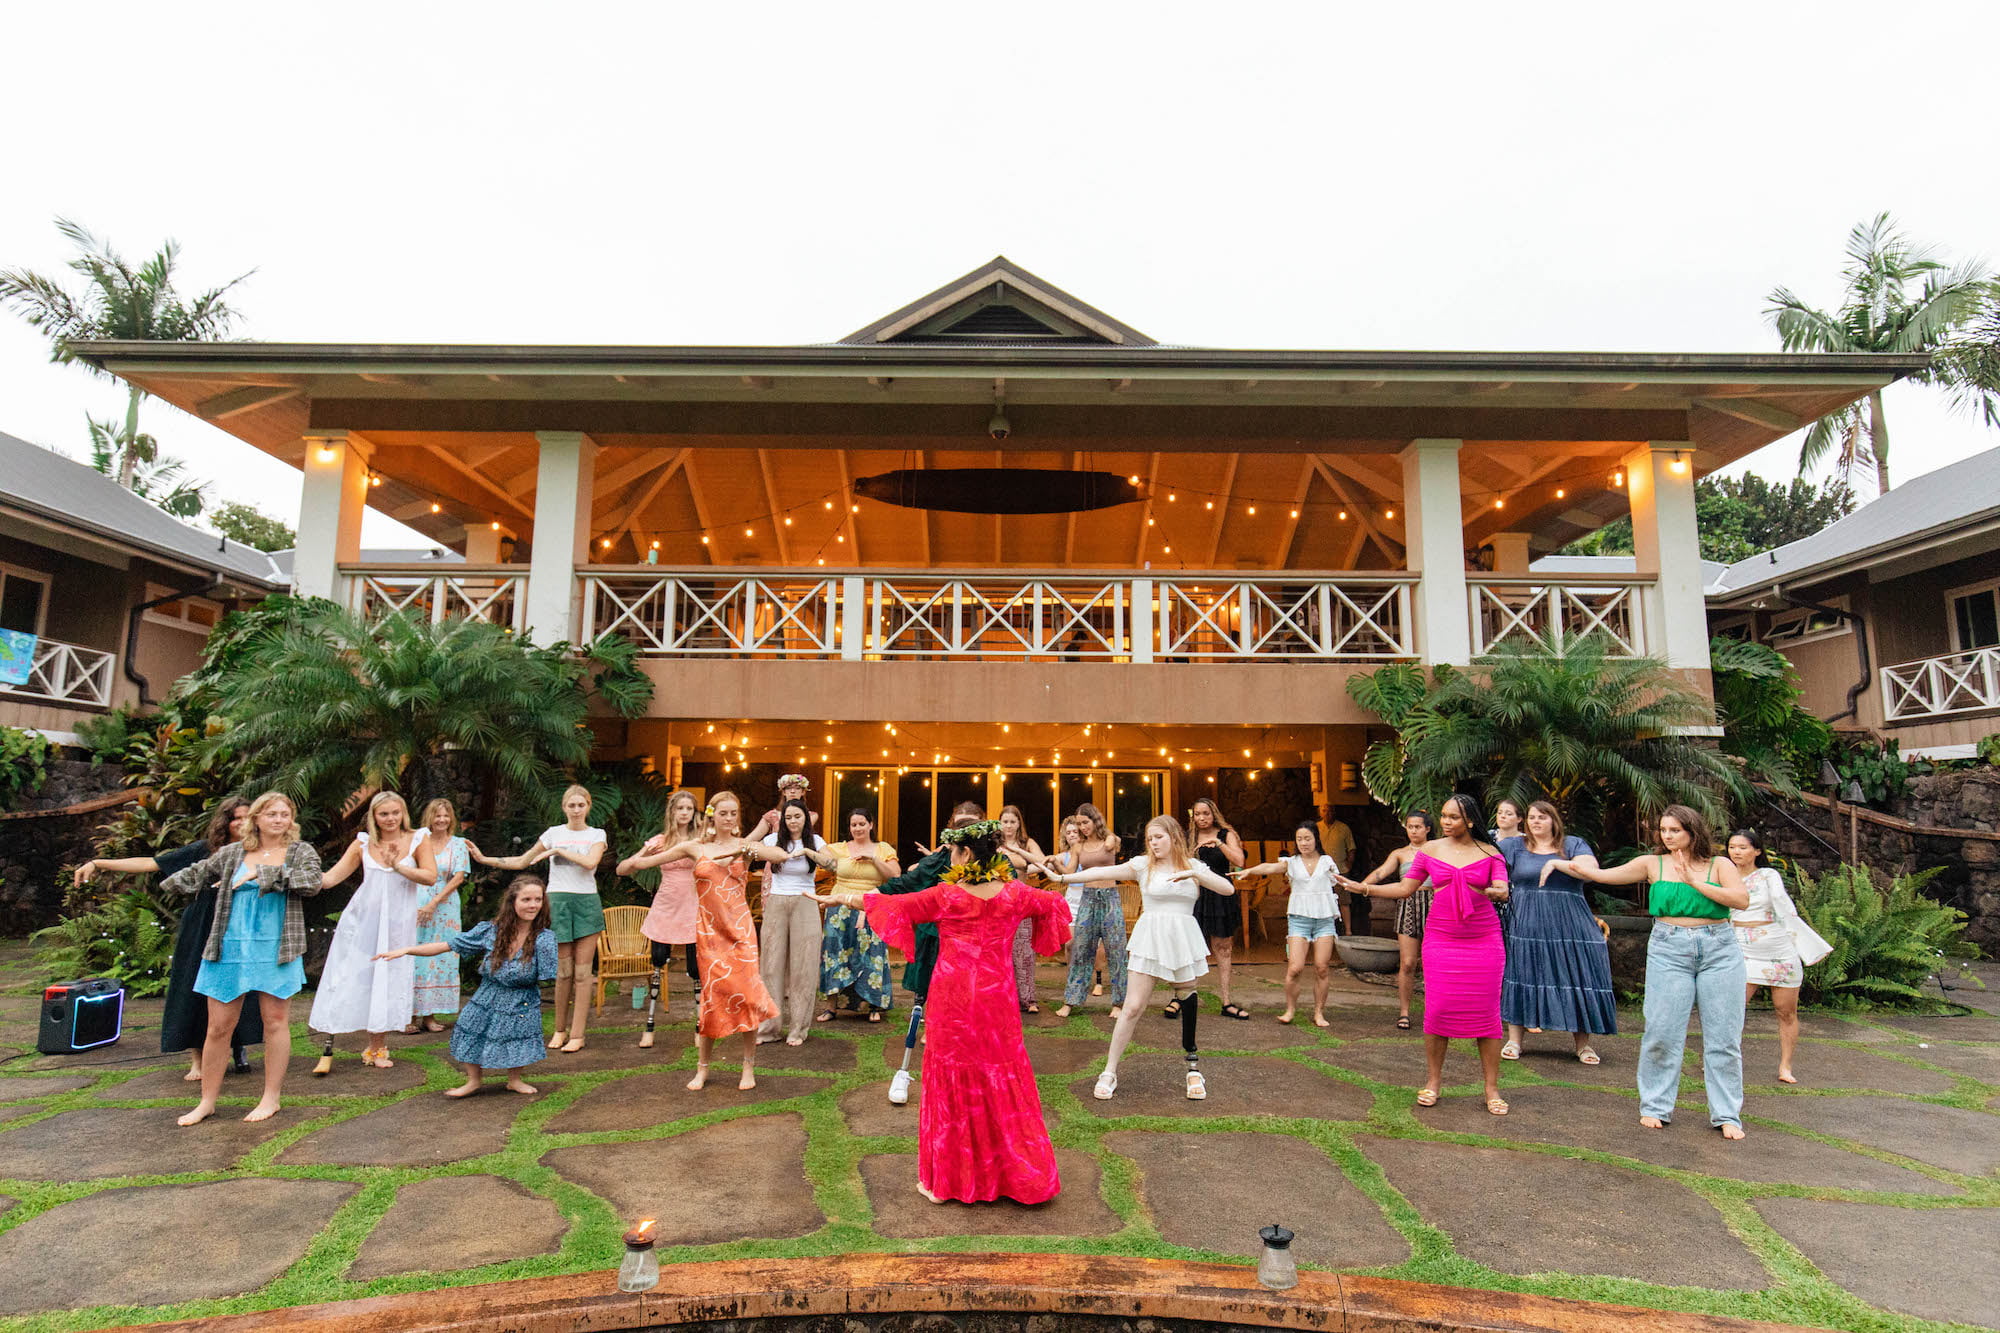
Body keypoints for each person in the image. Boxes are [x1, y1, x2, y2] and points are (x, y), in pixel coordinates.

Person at [837, 817, 1071, 1204]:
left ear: (962, 854)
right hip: (997, 999)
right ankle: (1017, 1175)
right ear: (993, 852)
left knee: (952, 1078)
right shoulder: (1015, 894)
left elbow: (891, 904)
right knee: (1001, 1074)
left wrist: (840, 898)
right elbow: (1056, 905)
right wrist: (1046, 939)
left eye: (952, 852)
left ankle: (951, 1179)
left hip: (953, 999)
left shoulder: (947, 895)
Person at [1547, 805, 1750, 1137]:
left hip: (1719, 950)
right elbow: (1602, 875)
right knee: (1661, 1031)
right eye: (1664, 830)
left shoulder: (1719, 864)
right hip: (1669, 949)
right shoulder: (1651, 863)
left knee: (1724, 1038)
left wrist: (1693, 881)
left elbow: (1740, 900)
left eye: (1675, 830)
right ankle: (1656, 1105)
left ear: (1693, 832)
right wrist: (1563, 863)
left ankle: (1727, 1114)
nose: (1667, 836)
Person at [158, 791, 325, 1126]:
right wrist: (170, 883)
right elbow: (196, 874)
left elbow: (312, 882)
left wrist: (264, 875)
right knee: (218, 1027)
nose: (279, 820)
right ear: (257, 819)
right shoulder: (234, 852)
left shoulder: (300, 852)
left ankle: (271, 1097)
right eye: (272, 814)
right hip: (230, 946)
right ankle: (207, 1101)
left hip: (276, 948)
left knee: (275, 1021)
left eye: (285, 814)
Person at [1042, 816, 1235, 1101]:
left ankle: (1193, 1069)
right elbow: (1096, 872)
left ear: (1173, 836)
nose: (1154, 843)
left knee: (1188, 1004)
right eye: (1150, 838)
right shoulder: (1143, 865)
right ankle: (1109, 1071)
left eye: (1159, 837)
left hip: (1181, 939)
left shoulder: (1193, 865)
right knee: (1131, 1008)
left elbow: (1227, 888)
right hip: (1150, 938)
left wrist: (1196, 875)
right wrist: (1062, 878)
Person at [75, 795, 261, 1081]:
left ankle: (237, 1048)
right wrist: (99, 863)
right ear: (225, 822)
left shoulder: (260, 850)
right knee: (194, 987)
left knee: (239, 989)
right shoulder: (206, 849)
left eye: (247, 816)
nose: (242, 822)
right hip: (202, 922)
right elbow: (152, 864)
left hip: (241, 923)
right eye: (236, 817)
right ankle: (197, 1059)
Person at [1346, 794, 1510, 1115]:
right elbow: (1405, 888)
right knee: (1438, 1012)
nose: (1446, 822)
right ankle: (1433, 1081)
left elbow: (1502, 887)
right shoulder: (1429, 851)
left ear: (1471, 821)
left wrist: (1497, 890)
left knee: (1487, 1016)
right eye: (1444, 816)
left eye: (1453, 817)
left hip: (1483, 940)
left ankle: (1491, 1088)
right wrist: (1364, 888)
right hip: (1442, 939)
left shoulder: (1490, 853)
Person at [646, 789, 815, 1091]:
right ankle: (702, 1069)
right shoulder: (698, 847)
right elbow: (654, 860)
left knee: (748, 998)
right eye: (722, 813)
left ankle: (748, 1067)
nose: (728, 818)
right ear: (712, 815)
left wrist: (752, 853)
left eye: (733, 813)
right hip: (710, 933)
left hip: (741, 933)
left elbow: (778, 854)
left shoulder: (744, 846)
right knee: (711, 999)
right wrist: (634, 861)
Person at [375, 874, 558, 1097]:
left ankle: (514, 1080)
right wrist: (406, 950)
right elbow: (448, 945)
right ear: (513, 902)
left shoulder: (544, 938)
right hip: (488, 993)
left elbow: (552, 974)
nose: (533, 905)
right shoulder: (491, 930)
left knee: (516, 1035)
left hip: (521, 997)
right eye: (526, 900)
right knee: (470, 1027)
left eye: (538, 900)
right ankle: (473, 1081)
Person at [470, 784, 606, 1053]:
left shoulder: (596, 834)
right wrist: (486, 859)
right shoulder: (553, 833)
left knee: (582, 973)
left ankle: (578, 1035)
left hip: (586, 902)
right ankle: (559, 1030)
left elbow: (591, 862)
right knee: (563, 972)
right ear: (564, 807)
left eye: (581, 805)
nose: (576, 810)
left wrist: (558, 851)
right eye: (571, 805)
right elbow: (523, 861)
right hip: (557, 902)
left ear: (588, 806)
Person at [310, 791, 440, 1070]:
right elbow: (331, 878)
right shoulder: (363, 843)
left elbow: (430, 876)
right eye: (384, 814)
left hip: (397, 924)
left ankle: (378, 1047)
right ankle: (345, 1032)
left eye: (395, 812)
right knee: (354, 976)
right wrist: (297, 874)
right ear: (374, 817)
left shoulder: (418, 838)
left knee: (388, 978)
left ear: (403, 813)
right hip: (362, 921)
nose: (391, 819)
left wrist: (398, 867)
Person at [1497, 800, 1617, 1063]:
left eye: (1542, 817)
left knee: (1577, 975)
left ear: (1554, 820)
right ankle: (1515, 1041)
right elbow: (1486, 869)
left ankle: (1583, 1045)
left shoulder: (1573, 844)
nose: (1536, 821)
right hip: (1525, 920)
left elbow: (1591, 871)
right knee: (1521, 973)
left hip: (1570, 922)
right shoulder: (1512, 846)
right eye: (1531, 817)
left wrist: (1558, 864)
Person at [1729, 828, 1828, 1086]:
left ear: (1757, 851)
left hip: (1778, 949)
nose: (1736, 852)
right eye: (1732, 847)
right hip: (1742, 948)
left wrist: (1799, 933)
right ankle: (1723, 1061)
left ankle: (1785, 1065)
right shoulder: (1723, 875)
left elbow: (1782, 903)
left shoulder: (1768, 875)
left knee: (1786, 1012)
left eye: (1742, 847)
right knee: (1731, 1009)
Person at [617, 788, 704, 1048]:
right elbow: (623, 869)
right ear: (672, 812)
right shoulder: (660, 841)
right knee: (658, 963)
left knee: (695, 969)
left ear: (694, 812)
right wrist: (643, 855)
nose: (685, 813)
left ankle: (700, 1027)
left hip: (693, 903)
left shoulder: (700, 840)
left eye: (689, 809)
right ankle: (649, 1027)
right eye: (680, 808)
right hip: (667, 904)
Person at [1238, 821, 1340, 1028]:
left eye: (1307, 838)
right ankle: (1290, 1009)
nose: (1303, 843)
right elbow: (1270, 867)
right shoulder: (1291, 862)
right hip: (1299, 920)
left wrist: (1363, 887)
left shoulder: (1327, 861)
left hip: (1324, 920)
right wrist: (1250, 871)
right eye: (1299, 839)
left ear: (1316, 839)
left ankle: (1319, 1012)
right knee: (1295, 968)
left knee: (1321, 968)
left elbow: (1341, 881)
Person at [757, 798, 834, 1046]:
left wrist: (807, 851)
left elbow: (833, 864)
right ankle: (769, 1027)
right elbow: (751, 849)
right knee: (771, 964)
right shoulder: (771, 841)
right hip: (777, 901)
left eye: (797, 816)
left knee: (804, 966)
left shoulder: (817, 841)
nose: (792, 821)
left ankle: (798, 1029)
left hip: (805, 901)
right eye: (788, 817)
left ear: (805, 818)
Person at [816, 808, 899, 1023]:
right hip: (839, 906)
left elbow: (895, 874)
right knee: (835, 953)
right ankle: (831, 1006)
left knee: (872, 953)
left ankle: (874, 1005)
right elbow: (818, 854)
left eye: (862, 823)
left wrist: (873, 859)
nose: (858, 828)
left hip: (871, 904)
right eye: (854, 825)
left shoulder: (882, 849)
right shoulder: (839, 848)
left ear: (871, 825)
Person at [1356, 810, 1435, 1030]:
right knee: (1408, 963)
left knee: (1432, 963)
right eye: (1410, 826)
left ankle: (1435, 1012)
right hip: (1407, 904)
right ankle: (1404, 1012)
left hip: (1434, 903)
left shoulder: (1438, 850)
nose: (1413, 830)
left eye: (1418, 826)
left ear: (1428, 828)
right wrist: (1362, 886)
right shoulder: (1400, 853)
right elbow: (1381, 873)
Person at [1053, 816, 1127, 1019]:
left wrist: (1110, 837)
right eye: (1079, 824)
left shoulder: (1110, 840)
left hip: (1109, 897)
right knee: (1080, 949)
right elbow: (1068, 873)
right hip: (1088, 898)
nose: (1082, 827)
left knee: (1116, 949)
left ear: (1095, 821)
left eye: (1086, 822)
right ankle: (1071, 1001)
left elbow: (1114, 843)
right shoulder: (1078, 847)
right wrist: (1055, 863)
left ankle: (1119, 1003)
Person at [411, 798, 471, 1033]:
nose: (442, 820)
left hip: (444, 908)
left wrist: (435, 902)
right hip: (417, 903)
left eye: (446, 816)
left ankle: (429, 1016)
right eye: (437, 815)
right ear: (429, 817)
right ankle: (408, 1015)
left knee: (439, 957)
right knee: (414, 956)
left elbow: (458, 876)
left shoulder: (458, 844)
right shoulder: (418, 841)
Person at [1187, 798, 1249, 1021]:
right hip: (1195, 895)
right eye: (1197, 814)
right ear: (1192, 816)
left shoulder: (1225, 833)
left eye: (1206, 813)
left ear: (1213, 814)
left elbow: (1240, 860)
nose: (1201, 818)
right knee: (1190, 949)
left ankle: (1226, 1000)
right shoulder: (1189, 837)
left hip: (1221, 895)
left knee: (1223, 948)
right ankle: (1181, 998)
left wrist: (1218, 843)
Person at [997, 805, 1047, 1014]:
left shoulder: (1027, 843)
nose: (1008, 826)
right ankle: (1003, 999)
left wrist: (1020, 855)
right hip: (999, 903)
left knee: (1024, 953)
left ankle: (1028, 999)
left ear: (1019, 824)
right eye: (1005, 821)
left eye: (1012, 822)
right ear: (999, 823)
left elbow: (1043, 861)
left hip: (1022, 903)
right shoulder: (994, 843)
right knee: (1001, 952)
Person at [1315, 804, 1359, 930]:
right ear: (1320, 812)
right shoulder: (1316, 828)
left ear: (1334, 812)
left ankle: (1348, 931)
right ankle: (1323, 930)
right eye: (1324, 810)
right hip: (1320, 872)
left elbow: (1351, 848)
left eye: (1330, 811)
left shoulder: (1343, 828)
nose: (1327, 813)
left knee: (1344, 902)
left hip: (1341, 871)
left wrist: (1349, 864)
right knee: (1321, 901)